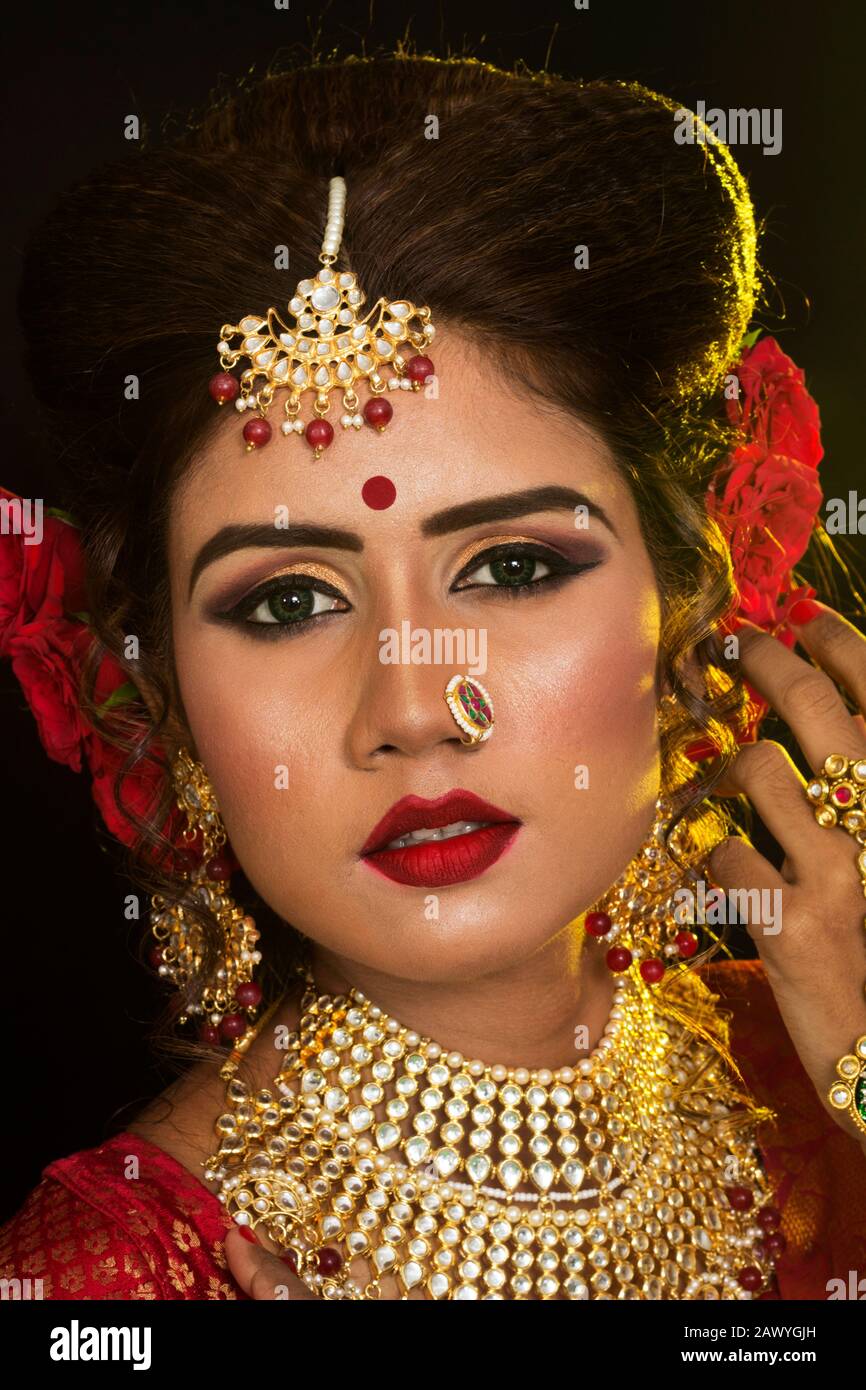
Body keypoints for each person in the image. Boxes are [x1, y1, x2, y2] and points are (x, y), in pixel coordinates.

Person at [1, 50, 865, 1302]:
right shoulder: (107, 1280)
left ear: (692, 614)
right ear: (164, 697)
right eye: (289, 600)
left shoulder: (811, 1063)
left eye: (510, 568)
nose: (412, 707)